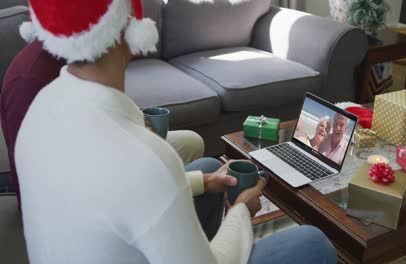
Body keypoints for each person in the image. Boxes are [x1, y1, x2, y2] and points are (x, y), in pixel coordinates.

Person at [14, 1, 337, 263]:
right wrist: (241, 213)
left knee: (209, 170)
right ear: (128, 26)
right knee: (311, 242)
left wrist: (202, 182)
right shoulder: (145, 159)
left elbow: (105, 193)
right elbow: (133, 183)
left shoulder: (42, 105)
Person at [0, 41, 204, 212]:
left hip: (98, 155)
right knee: (206, 172)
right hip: (69, 199)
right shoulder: (29, 82)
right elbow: (49, 179)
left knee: (191, 142)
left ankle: (176, 202)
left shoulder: (77, 53)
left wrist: (132, 125)